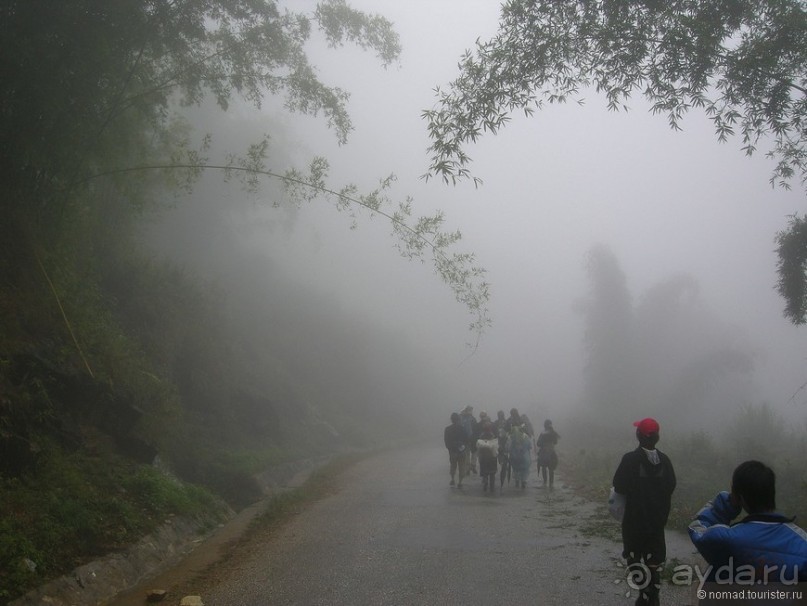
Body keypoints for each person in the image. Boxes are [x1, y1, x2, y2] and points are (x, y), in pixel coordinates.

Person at [689, 460, 807, 591]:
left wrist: (724, 506)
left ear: (739, 497)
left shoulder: (727, 539)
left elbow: (697, 529)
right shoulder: (802, 542)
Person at [612, 418, 676, 606]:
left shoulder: (630, 459)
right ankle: (652, 592)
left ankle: (645, 591)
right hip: (657, 521)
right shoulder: (665, 461)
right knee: (653, 558)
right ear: (657, 437)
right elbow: (671, 485)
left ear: (638, 435)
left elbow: (619, 486)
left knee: (633, 556)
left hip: (634, 520)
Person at [443, 412, 467, 487]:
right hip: (461, 450)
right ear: (458, 419)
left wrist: (449, 448)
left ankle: (453, 479)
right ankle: (460, 482)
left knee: (453, 465)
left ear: (451, 420)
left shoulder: (447, 429)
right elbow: (466, 439)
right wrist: (464, 447)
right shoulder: (462, 428)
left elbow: (446, 441)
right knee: (462, 466)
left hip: (452, 451)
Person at [475, 418, 499, 493]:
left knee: (485, 471)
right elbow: (496, 447)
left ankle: (485, 481)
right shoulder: (492, 436)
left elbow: (478, 446)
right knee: (492, 473)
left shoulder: (481, 436)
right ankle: (492, 486)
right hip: (492, 457)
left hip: (483, 457)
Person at [535, 419, 560, 490]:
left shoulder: (543, 433)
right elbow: (555, 442)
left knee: (543, 467)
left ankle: (545, 482)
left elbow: (538, 443)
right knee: (551, 468)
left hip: (543, 453)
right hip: (551, 453)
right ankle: (551, 484)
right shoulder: (553, 433)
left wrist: (544, 444)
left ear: (544, 425)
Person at [508, 422, 532, 489]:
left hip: (514, 457)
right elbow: (530, 446)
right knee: (524, 470)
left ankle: (517, 481)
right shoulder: (526, 437)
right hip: (525, 457)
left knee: (516, 469)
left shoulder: (511, 437)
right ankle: (523, 481)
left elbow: (508, 447)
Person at [459, 405, 478, 475]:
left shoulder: (463, 418)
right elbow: (476, 429)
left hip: (468, 439)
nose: (470, 411)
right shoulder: (471, 419)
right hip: (470, 439)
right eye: (469, 410)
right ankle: (471, 466)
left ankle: (470, 467)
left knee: (469, 454)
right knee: (472, 453)